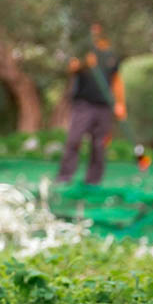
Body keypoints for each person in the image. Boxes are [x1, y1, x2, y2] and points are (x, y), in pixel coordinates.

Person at [55, 23, 127, 185]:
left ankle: (93, 181)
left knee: (99, 145)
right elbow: (72, 68)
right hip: (84, 104)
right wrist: (85, 63)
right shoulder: (84, 52)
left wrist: (120, 104)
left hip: (104, 106)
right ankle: (64, 177)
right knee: (74, 139)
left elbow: (117, 81)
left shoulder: (111, 56)